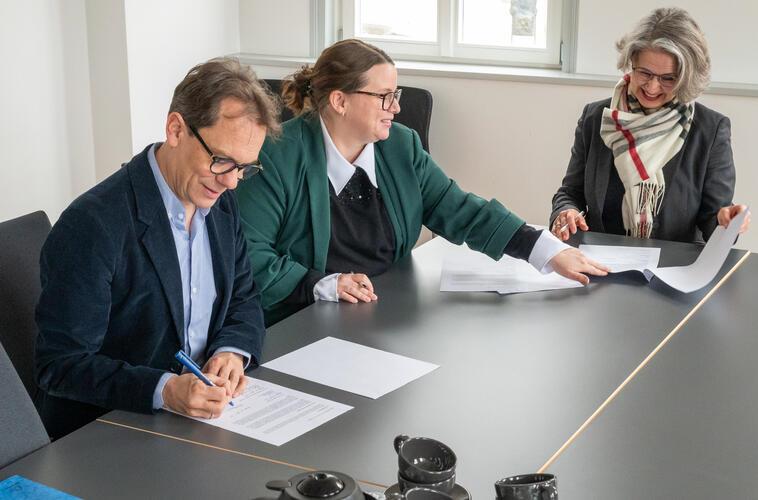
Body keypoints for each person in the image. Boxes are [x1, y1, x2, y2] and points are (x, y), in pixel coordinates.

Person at [236, 39, 609, 325]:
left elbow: (461, 210)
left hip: (386, 312)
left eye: (395, 96)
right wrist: (324, 284)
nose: (396, 108)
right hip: (302, 320)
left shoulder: (400, 144)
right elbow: (248, 255)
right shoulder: (275, 155)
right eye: (384, 97)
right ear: (339, 101)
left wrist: (544, 249)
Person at [34, 58, 281, 439]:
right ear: (176, 129)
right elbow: (62, 365)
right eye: (222, 161)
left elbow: (244, 297)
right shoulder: (93, 224)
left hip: (201, 424)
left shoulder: (218, 200)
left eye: (245, 168)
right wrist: (164, 390)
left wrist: (232, 351)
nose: (233, 182)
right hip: (110, 433)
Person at [550, 8, 751, 243]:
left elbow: (712, 221)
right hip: (599, 264)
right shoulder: (597, 118)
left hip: (676, 270)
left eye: (668, 78)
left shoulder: (710, 130)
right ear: (630, 63)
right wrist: (566, 212)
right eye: (644, 73)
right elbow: (570, 193)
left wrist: (726, 221)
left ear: (687, 78)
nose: (652, 87)